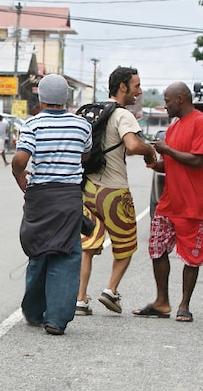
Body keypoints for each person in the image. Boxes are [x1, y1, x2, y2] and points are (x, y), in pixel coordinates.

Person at [11, 74, 92, 335]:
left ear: (41, 97)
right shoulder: (82, 126)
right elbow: (85, 155)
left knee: (39, 250)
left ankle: (34, 312)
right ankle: (56, 319)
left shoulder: (32, 124)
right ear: (66, 97)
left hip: (40, 197)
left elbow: (21, 159)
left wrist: (18, 176)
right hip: (68, 197)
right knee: (67, 254)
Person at [75, 66, 157, 316]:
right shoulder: (123, 115)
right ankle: (111, 290)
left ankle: (80, 299)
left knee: (88, 245)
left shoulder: (93, 111)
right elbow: (132, 145)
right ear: (122, 87)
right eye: (136, 86)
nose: (139, 92)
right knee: (127, 244)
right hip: (114, 191)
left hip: (88, 188)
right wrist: (150, 150)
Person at [133, 82, 203, 322]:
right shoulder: (173, 128)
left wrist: (168, 151)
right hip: (169, 203)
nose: (165, 105)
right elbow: (172, 166)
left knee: (191, 257)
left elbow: (196, 161)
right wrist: (155, 162)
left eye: (168, 100)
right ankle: (162, 301)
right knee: (156, 247)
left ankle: (184, 304)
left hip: (193, 204)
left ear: (182, 99)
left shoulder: (199, 122)